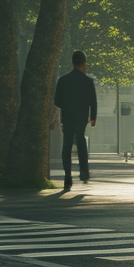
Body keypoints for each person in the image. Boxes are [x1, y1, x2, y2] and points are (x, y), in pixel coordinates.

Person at [54, 50, 97, 190]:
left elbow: (57, 101)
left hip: (67, 116)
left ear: (73, 62)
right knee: (80, 141)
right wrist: (92, 117)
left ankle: (67, 176)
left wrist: (67, 107)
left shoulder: (63, 80)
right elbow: (93, 101)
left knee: (66, 144)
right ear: (84, 63)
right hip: (81, 117)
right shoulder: (88, 81)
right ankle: (84, 171)